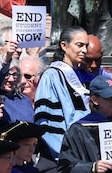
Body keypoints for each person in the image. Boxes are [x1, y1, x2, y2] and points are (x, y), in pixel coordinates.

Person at [34, 26, 91, 158]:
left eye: (86, 46)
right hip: (63, 156)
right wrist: (66, 156)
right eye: (79, 45)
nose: (84, 50)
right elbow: (47, 122)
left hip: (82, 153)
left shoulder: (81, 77)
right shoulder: (51, 76)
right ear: (64, 46)